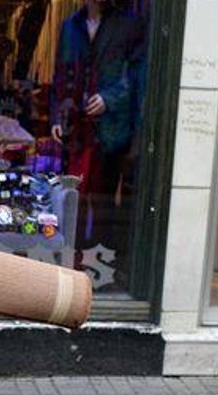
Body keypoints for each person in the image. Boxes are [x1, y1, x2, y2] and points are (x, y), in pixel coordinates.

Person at [50, 0, 146, 272]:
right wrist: (57, 115)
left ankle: (102, 266)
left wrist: (109, 99)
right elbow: (60, 74)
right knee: (72, 197)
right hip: (76, 129)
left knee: (102, 200)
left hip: (111, 129)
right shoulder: (71, 26)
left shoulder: (127, 26)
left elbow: (138, 77)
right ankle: (71, 260)